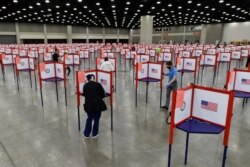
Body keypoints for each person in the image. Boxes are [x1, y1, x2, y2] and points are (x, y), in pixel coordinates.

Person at [82, 74, 107, 138]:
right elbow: (103, 95)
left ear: (88, 79)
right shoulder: (98, 84)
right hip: (97, 105)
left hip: (88, 105)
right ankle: (95, 134)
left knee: (89, 118)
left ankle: (86, 134)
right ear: (93, 78)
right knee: (96, 120)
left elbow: (84, 94)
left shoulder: (85, 85)